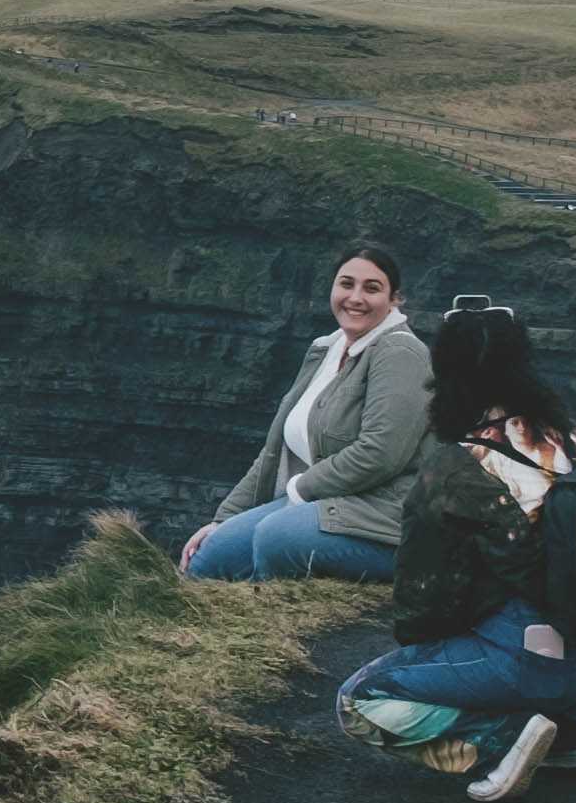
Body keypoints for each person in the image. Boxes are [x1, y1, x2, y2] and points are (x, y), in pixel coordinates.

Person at [334, 298, 576, 803]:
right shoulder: (570, 439)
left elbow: (425, 602)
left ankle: (501, 737)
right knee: (538, 590)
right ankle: (574, 733)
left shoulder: (457, 465)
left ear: (447, 375)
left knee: (358, 700)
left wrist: (426, 648)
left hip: (536, 661)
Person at [180, 243, 427, 583]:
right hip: (327, 503)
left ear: (394, 299)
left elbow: (381, 452)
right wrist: (223, 519)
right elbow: (276, 450)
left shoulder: (400, 352)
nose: (355, 297)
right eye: (346, 283)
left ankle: (268, 623)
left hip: (384, 517)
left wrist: (299, 491)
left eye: (372, 288)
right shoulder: (326, 350)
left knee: (275, 538)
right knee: (208, 559)